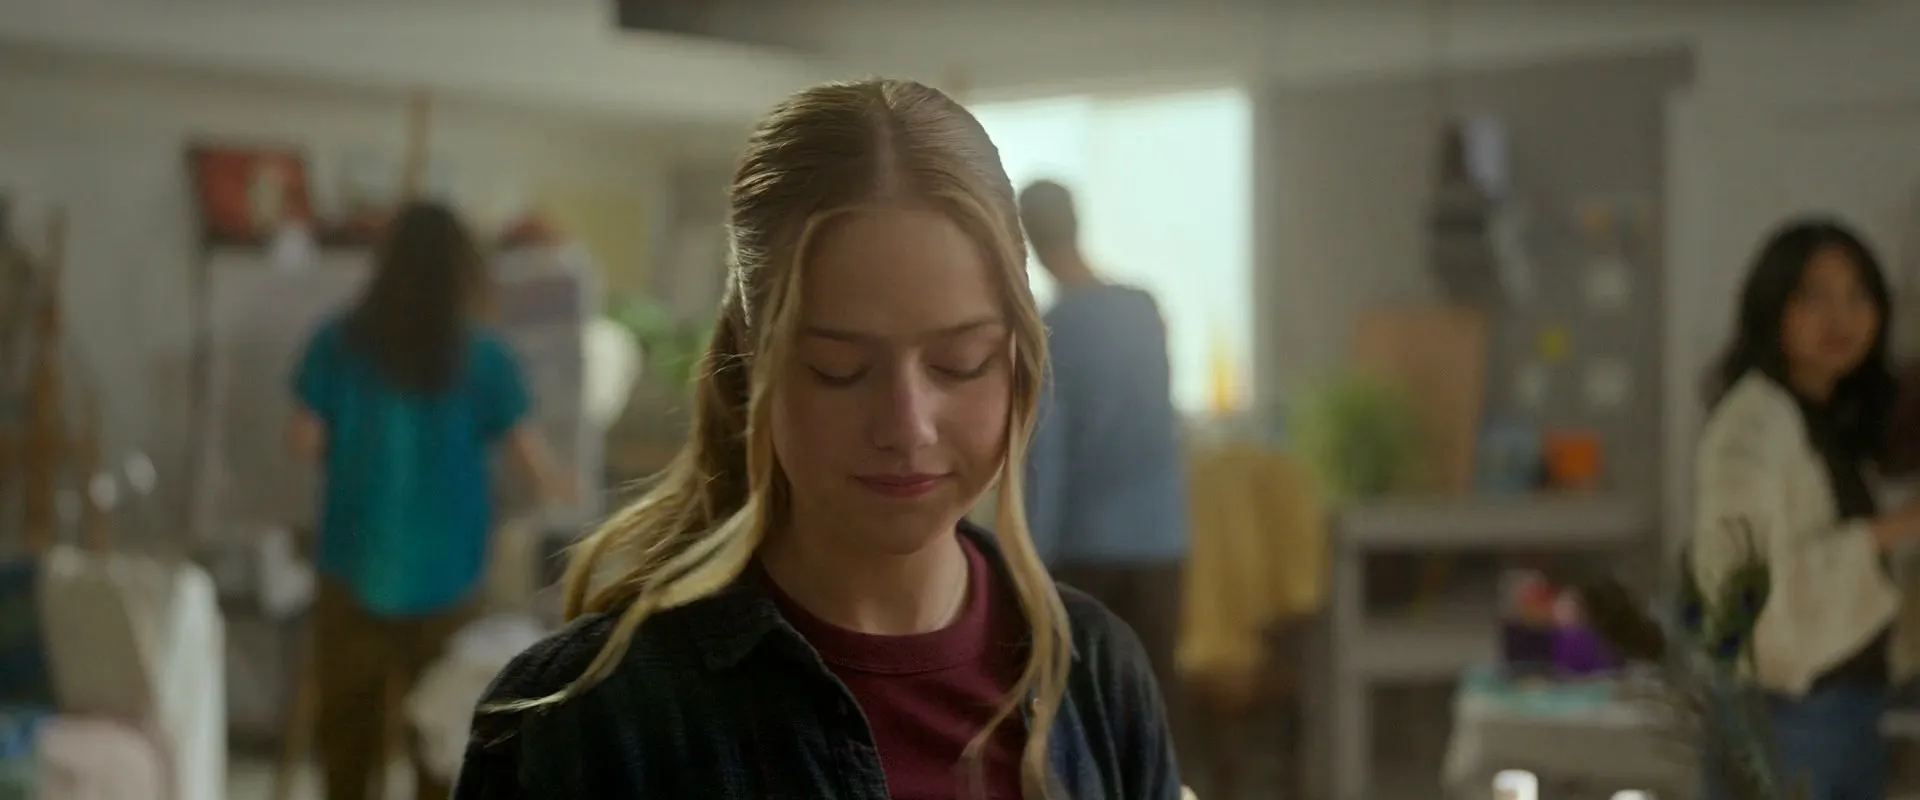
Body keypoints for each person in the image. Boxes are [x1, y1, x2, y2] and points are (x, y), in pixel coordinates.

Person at [454, 79, 1181, 799]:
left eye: (960, 362)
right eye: (839, 368)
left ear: (1019, 353)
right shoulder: (585, 723)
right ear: (751, 360)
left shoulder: (1097, 672)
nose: (907, 426)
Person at [288, 200, 568, 800]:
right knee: (441, 739)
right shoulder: (485, 355)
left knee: (347, 743)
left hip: (354, 563)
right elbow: (532, 464)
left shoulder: (336, 342)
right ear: (462, 270)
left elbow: (304, 441)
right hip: (451, 574)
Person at [1692, 218, 1920, 800]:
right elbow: (1747, 594)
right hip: (1786, 713)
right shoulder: (1751, 426)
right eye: (1814, 297)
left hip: (1850, 706)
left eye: (1857, 297)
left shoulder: (1835, 416)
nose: (1840, 320)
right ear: (1773, 307)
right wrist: (1890, 530)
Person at [1017, 179, 1189, 695]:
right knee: (1154, 701)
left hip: (1086, 548)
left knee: (1087, 706)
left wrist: (1028, 558)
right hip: (1161, 539)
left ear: (1027, 239)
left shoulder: (1053, 330)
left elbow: (1047, 452)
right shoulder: (1143, 309)